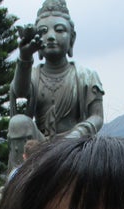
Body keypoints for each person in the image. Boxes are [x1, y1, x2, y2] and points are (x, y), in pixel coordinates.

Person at [6, 0, 104, 171]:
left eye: (59, 30)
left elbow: (97, 117)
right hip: (41, 145)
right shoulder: (34, 74)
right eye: (43, 31)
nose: (51, 36)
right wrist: (25, 57)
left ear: (72, 38)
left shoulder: (86, 76)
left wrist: (76, 134)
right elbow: (20, 96)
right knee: (18, 122)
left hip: (75, 146)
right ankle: (17, 185)